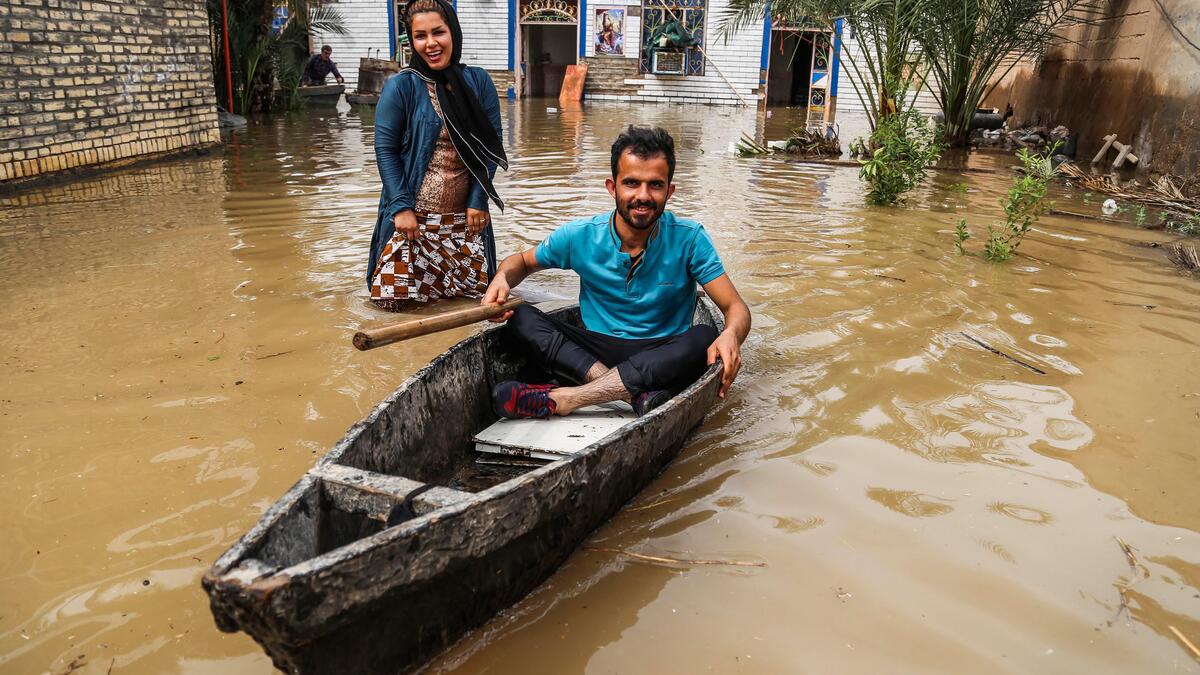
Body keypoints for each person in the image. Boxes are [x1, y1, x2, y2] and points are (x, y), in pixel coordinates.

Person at [482, 126, 751, 419]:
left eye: (655, 185)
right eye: (632, 183)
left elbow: (735, 307)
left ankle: (570, 398)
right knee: (522, 318)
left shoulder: (690, 239)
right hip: (592, 354)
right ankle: (627, 392)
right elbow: (520, 262)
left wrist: (731, 335)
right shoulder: (580, 236)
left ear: (670, 191)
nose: (643, 196)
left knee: (704, 337)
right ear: (613, 187)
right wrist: (501, 279)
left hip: (662, 354)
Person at [366, 0, 508, 309]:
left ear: (453, 33)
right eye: (420, 36)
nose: (430, 43)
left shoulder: (478, 83)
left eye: (438, 32)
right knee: (395, 305)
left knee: (473, 305)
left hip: (466, 224)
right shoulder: (402, 87)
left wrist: (478, 200)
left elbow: (491, 146)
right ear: (412, 41)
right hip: (412, 223)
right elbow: (385, 151)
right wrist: (401, 208)